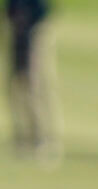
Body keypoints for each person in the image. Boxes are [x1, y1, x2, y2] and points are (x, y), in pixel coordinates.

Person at [5, 0, 61, 162]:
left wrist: (27, 21)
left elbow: (44, 10)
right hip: (16, 31)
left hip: (35, 32)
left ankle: (43, 137)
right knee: (15, 87)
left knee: (35, 87)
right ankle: (22, 138)